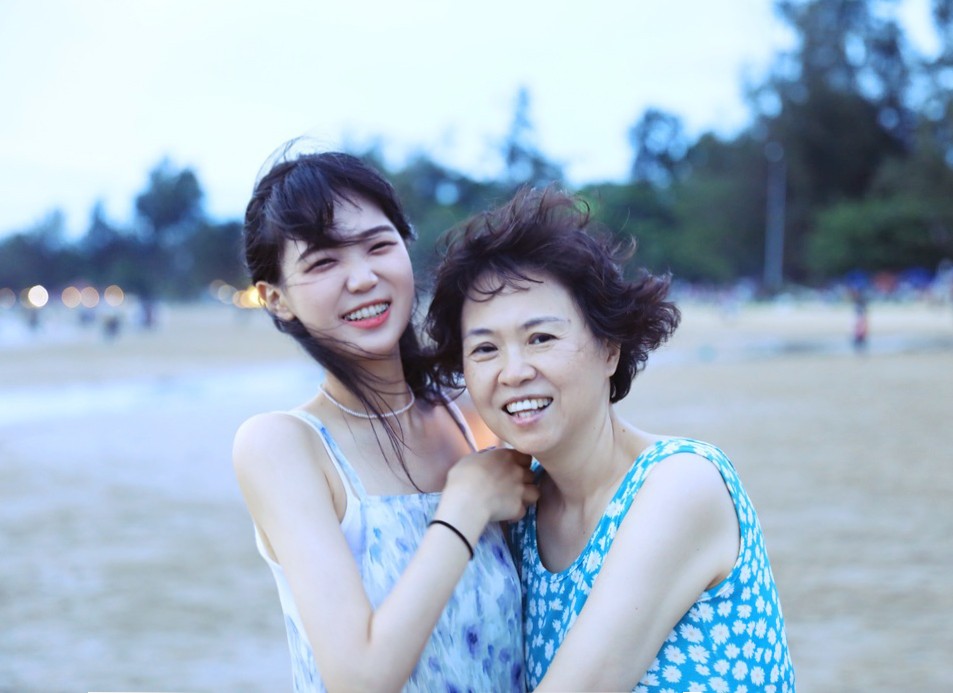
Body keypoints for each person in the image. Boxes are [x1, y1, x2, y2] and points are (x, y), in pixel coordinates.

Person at [426, 187, 796, 692]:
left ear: (609, 349)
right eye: (485, 349)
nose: (513, 372)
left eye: (541, 338)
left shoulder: (681, 483)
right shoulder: (518, 510)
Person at [233, 148, 538, 692]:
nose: (362, 278)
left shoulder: (472, 415)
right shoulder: (284, 446)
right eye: (323, 263)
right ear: (276, 299)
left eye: (378, 246)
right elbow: (359, 679)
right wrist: (465, 506)